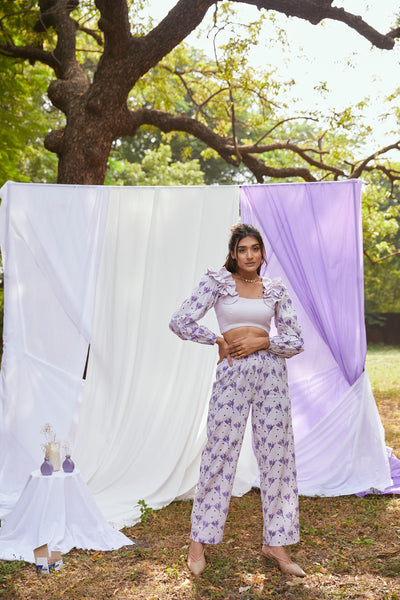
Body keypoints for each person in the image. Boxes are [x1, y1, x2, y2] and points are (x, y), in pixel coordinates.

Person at [169, 223, 305, 577]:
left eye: (255, 249)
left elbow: (296, 340)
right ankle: (198, 542)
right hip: (233, 373)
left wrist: (265, 341)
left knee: (277, 456)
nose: (249, 255)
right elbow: (180, 321)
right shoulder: (218, 283)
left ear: (262, 252)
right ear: (233, 253)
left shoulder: (275, 290)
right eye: (242, 249)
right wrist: (216, 339)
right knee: (219, 453)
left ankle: (276, 543)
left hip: (271, 374)